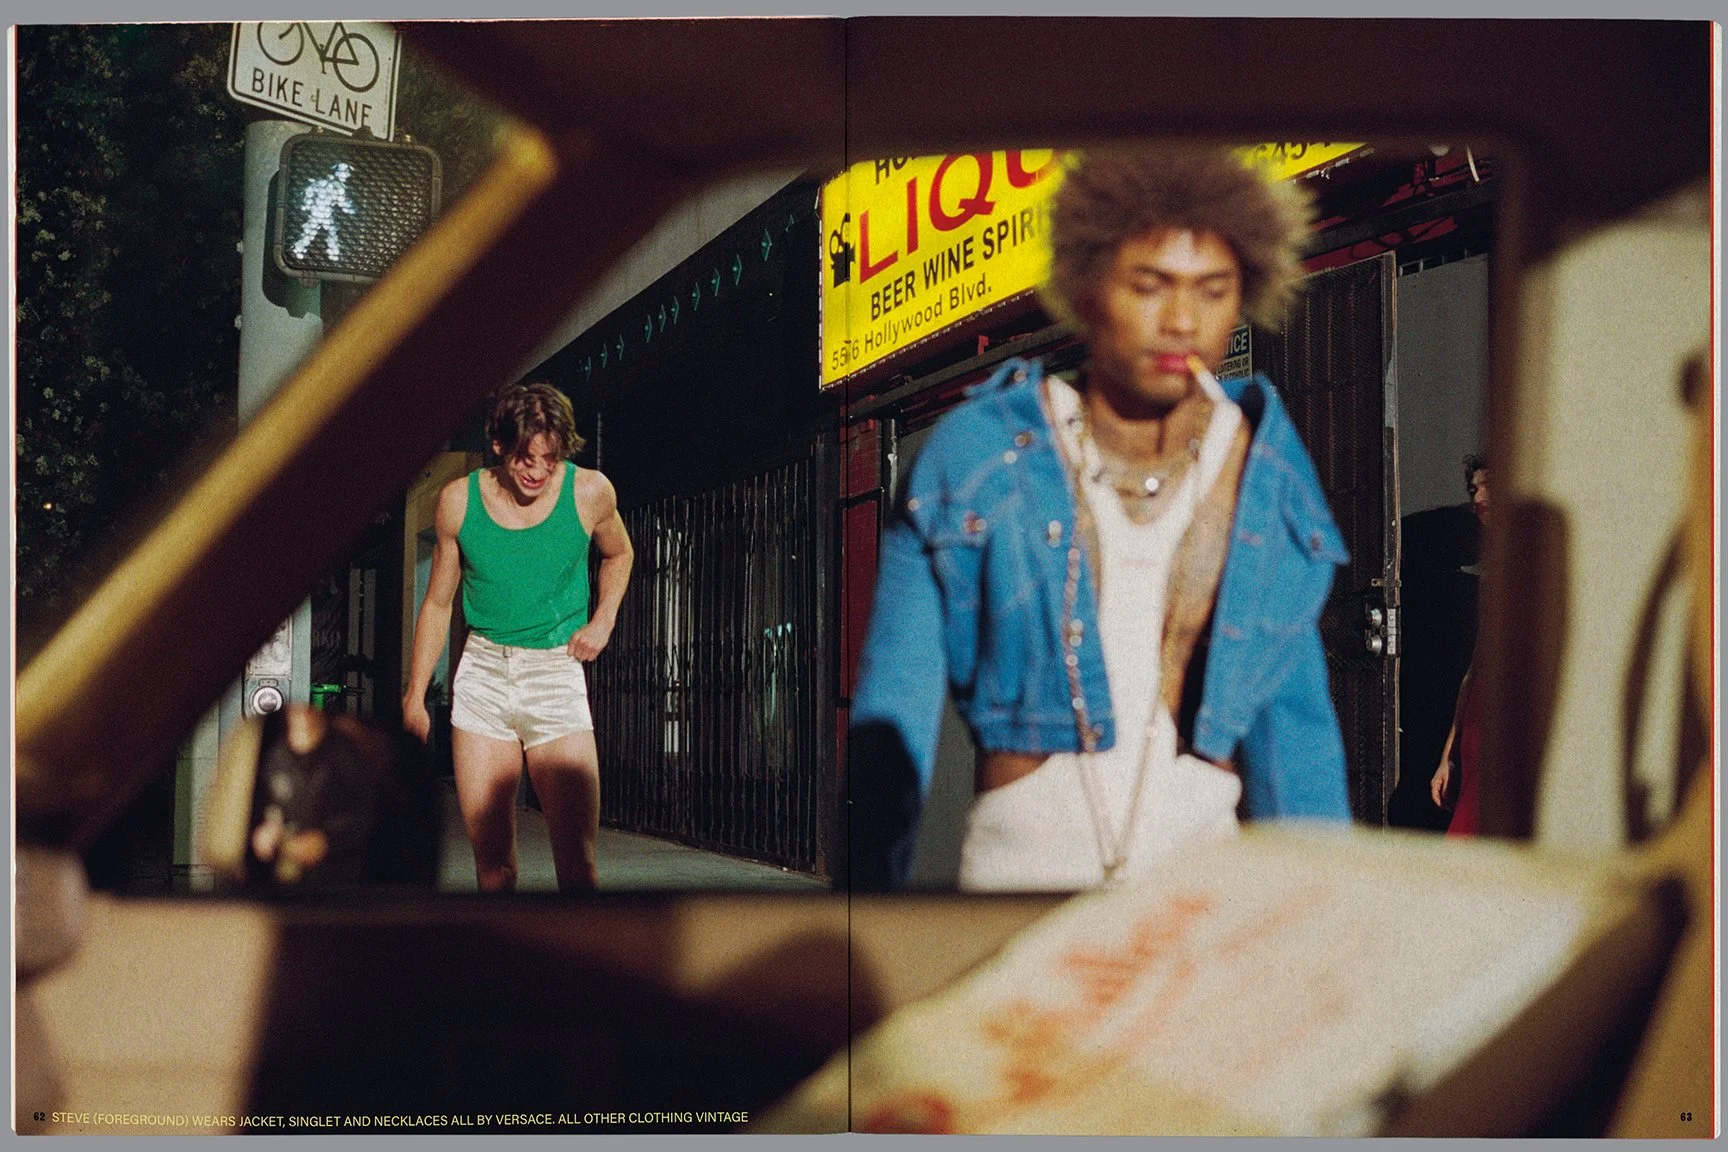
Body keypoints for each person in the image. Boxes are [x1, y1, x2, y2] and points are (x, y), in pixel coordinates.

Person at [846, 145, 1352, 891]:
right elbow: (893, 726)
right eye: (1150, 286)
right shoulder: (978, 459)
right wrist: (860, 939)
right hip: (1015, 889)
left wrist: (1321, 935)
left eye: (1213, 291)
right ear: (1085, 292)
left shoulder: (1263, 474)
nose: (1182, 319)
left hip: (1199, 906)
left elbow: (1295, 746)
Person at [403, 381, 633, 892]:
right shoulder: (458, 503)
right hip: (483, 675)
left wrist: (604, 620)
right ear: (500, 445)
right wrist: (415, 695)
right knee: (493, 866)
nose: (538, 471)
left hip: (555, 673)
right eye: (527, 458)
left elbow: (620, 554)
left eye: (550, 459)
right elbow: (438, 603)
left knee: (578, 863)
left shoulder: (590, 491)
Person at [1431, 455, 1488, 836]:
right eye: (1474, 488)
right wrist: (1448, 755)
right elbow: (1474, 669)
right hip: (1477, 730)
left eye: (1490, 484)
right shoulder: (1496, 570)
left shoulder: (1534, 562)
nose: (1479, 495)